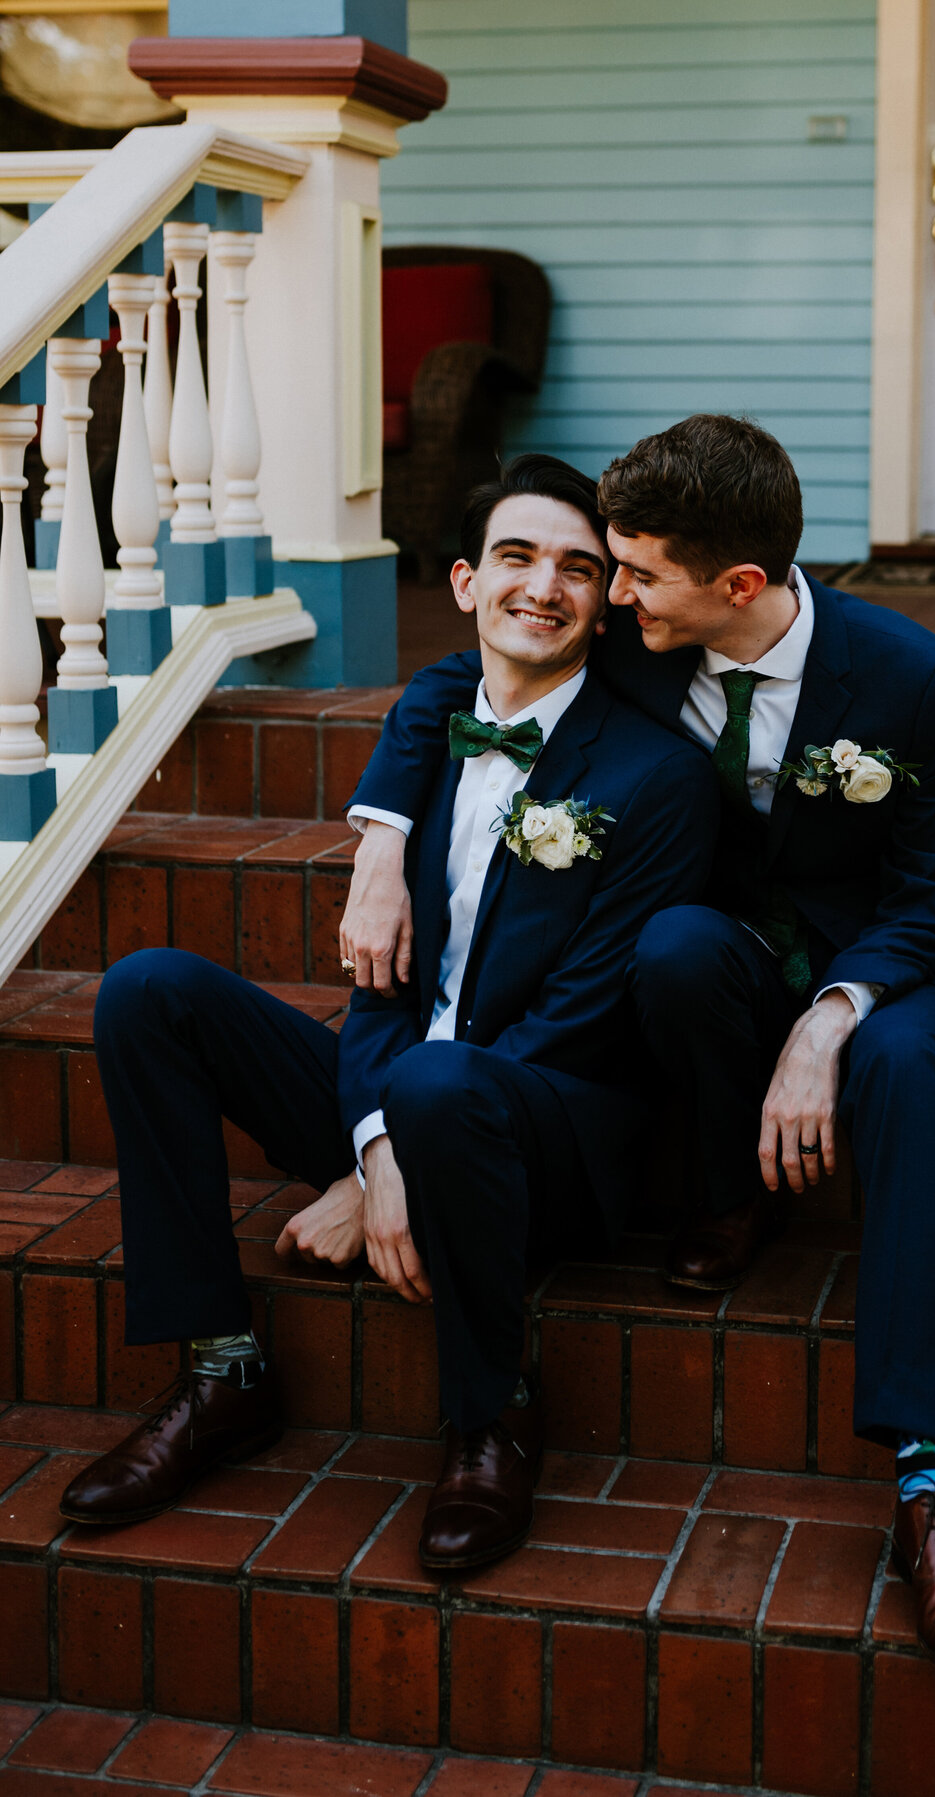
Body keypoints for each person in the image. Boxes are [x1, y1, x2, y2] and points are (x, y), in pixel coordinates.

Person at [347, 414, 935, 1674]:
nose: (608, 593)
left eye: (634, 574)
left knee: (900, 1068)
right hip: (718, 950)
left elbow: (931, 895)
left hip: (881, 957)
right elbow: (460, 679)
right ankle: (729, 1190)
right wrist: (382, 833)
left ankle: (934, 1486)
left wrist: (832, 1016)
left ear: (740, 587)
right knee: (674, 950)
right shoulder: (646, 638)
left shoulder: (906, 672)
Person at [60, 453, 718, 1574]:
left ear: (608, 600)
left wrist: (390, 1154)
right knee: (150, 991)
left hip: (543, 1125)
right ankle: (224, 1370)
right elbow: (379, 985)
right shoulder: (427, 731)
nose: (543, 586)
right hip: (403, 1100)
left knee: (439, 1079)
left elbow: (585, 1017)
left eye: (577, 566)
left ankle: (492, 1411)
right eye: (517, 557)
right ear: (465, 581)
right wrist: (373, 1152)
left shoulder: (658, 778)